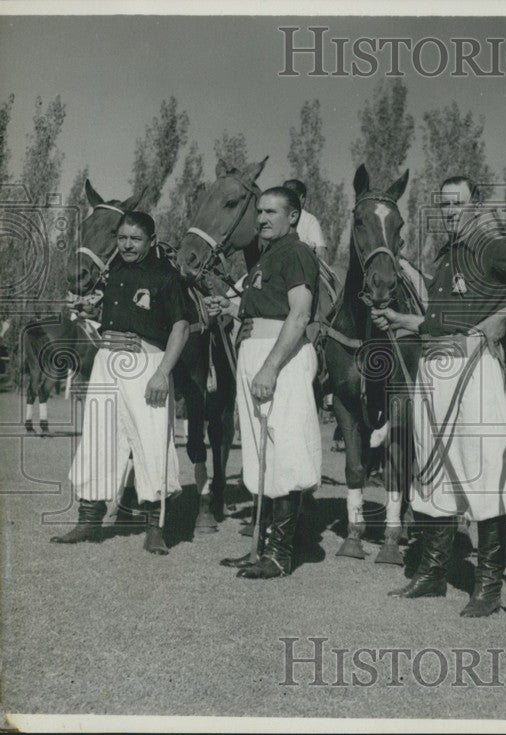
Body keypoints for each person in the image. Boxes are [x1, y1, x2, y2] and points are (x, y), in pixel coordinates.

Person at [372, 175, 506, 618]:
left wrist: (502, 318)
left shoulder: (492, 243)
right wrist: (400, 318)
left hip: (473, 366)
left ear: (476, 205)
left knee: (483, 469)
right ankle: (432, 574)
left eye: (458, 204)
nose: (450, 211)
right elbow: (435, 322)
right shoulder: (447, 255)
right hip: (434, 365)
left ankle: (487, 586)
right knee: (430, 471)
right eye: (444, 205)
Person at [52, 211, 195, 555]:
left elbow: (181, 327)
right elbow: (126, 313)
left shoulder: (166, 276)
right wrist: (93, 314)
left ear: (151, 241)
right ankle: (88, 519)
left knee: (151, 442)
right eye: (122, 238)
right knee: (98, 437)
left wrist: (162, 372)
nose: (127, 245)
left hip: (146, 364)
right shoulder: (112, 272)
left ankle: (154, 528)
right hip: (107, 361)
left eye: (135, 239)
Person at [206, 186, 321, 579]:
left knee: (284, 451)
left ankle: (280, 554)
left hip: (281, 357)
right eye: (260, 211)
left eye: (272, 212)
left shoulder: (298, 252)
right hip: (256, 351)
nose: (262, 218)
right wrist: (232, 305)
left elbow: (300, 315)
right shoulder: (267, 257)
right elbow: (267, 304)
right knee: (260, 455)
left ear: (293, 217)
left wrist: (271, 367)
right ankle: (259, 546)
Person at [282, 179, 327, 261]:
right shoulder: (309, 219)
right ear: (302, 198)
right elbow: (321, 255)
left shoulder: (271, 215)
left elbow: (320, 252)